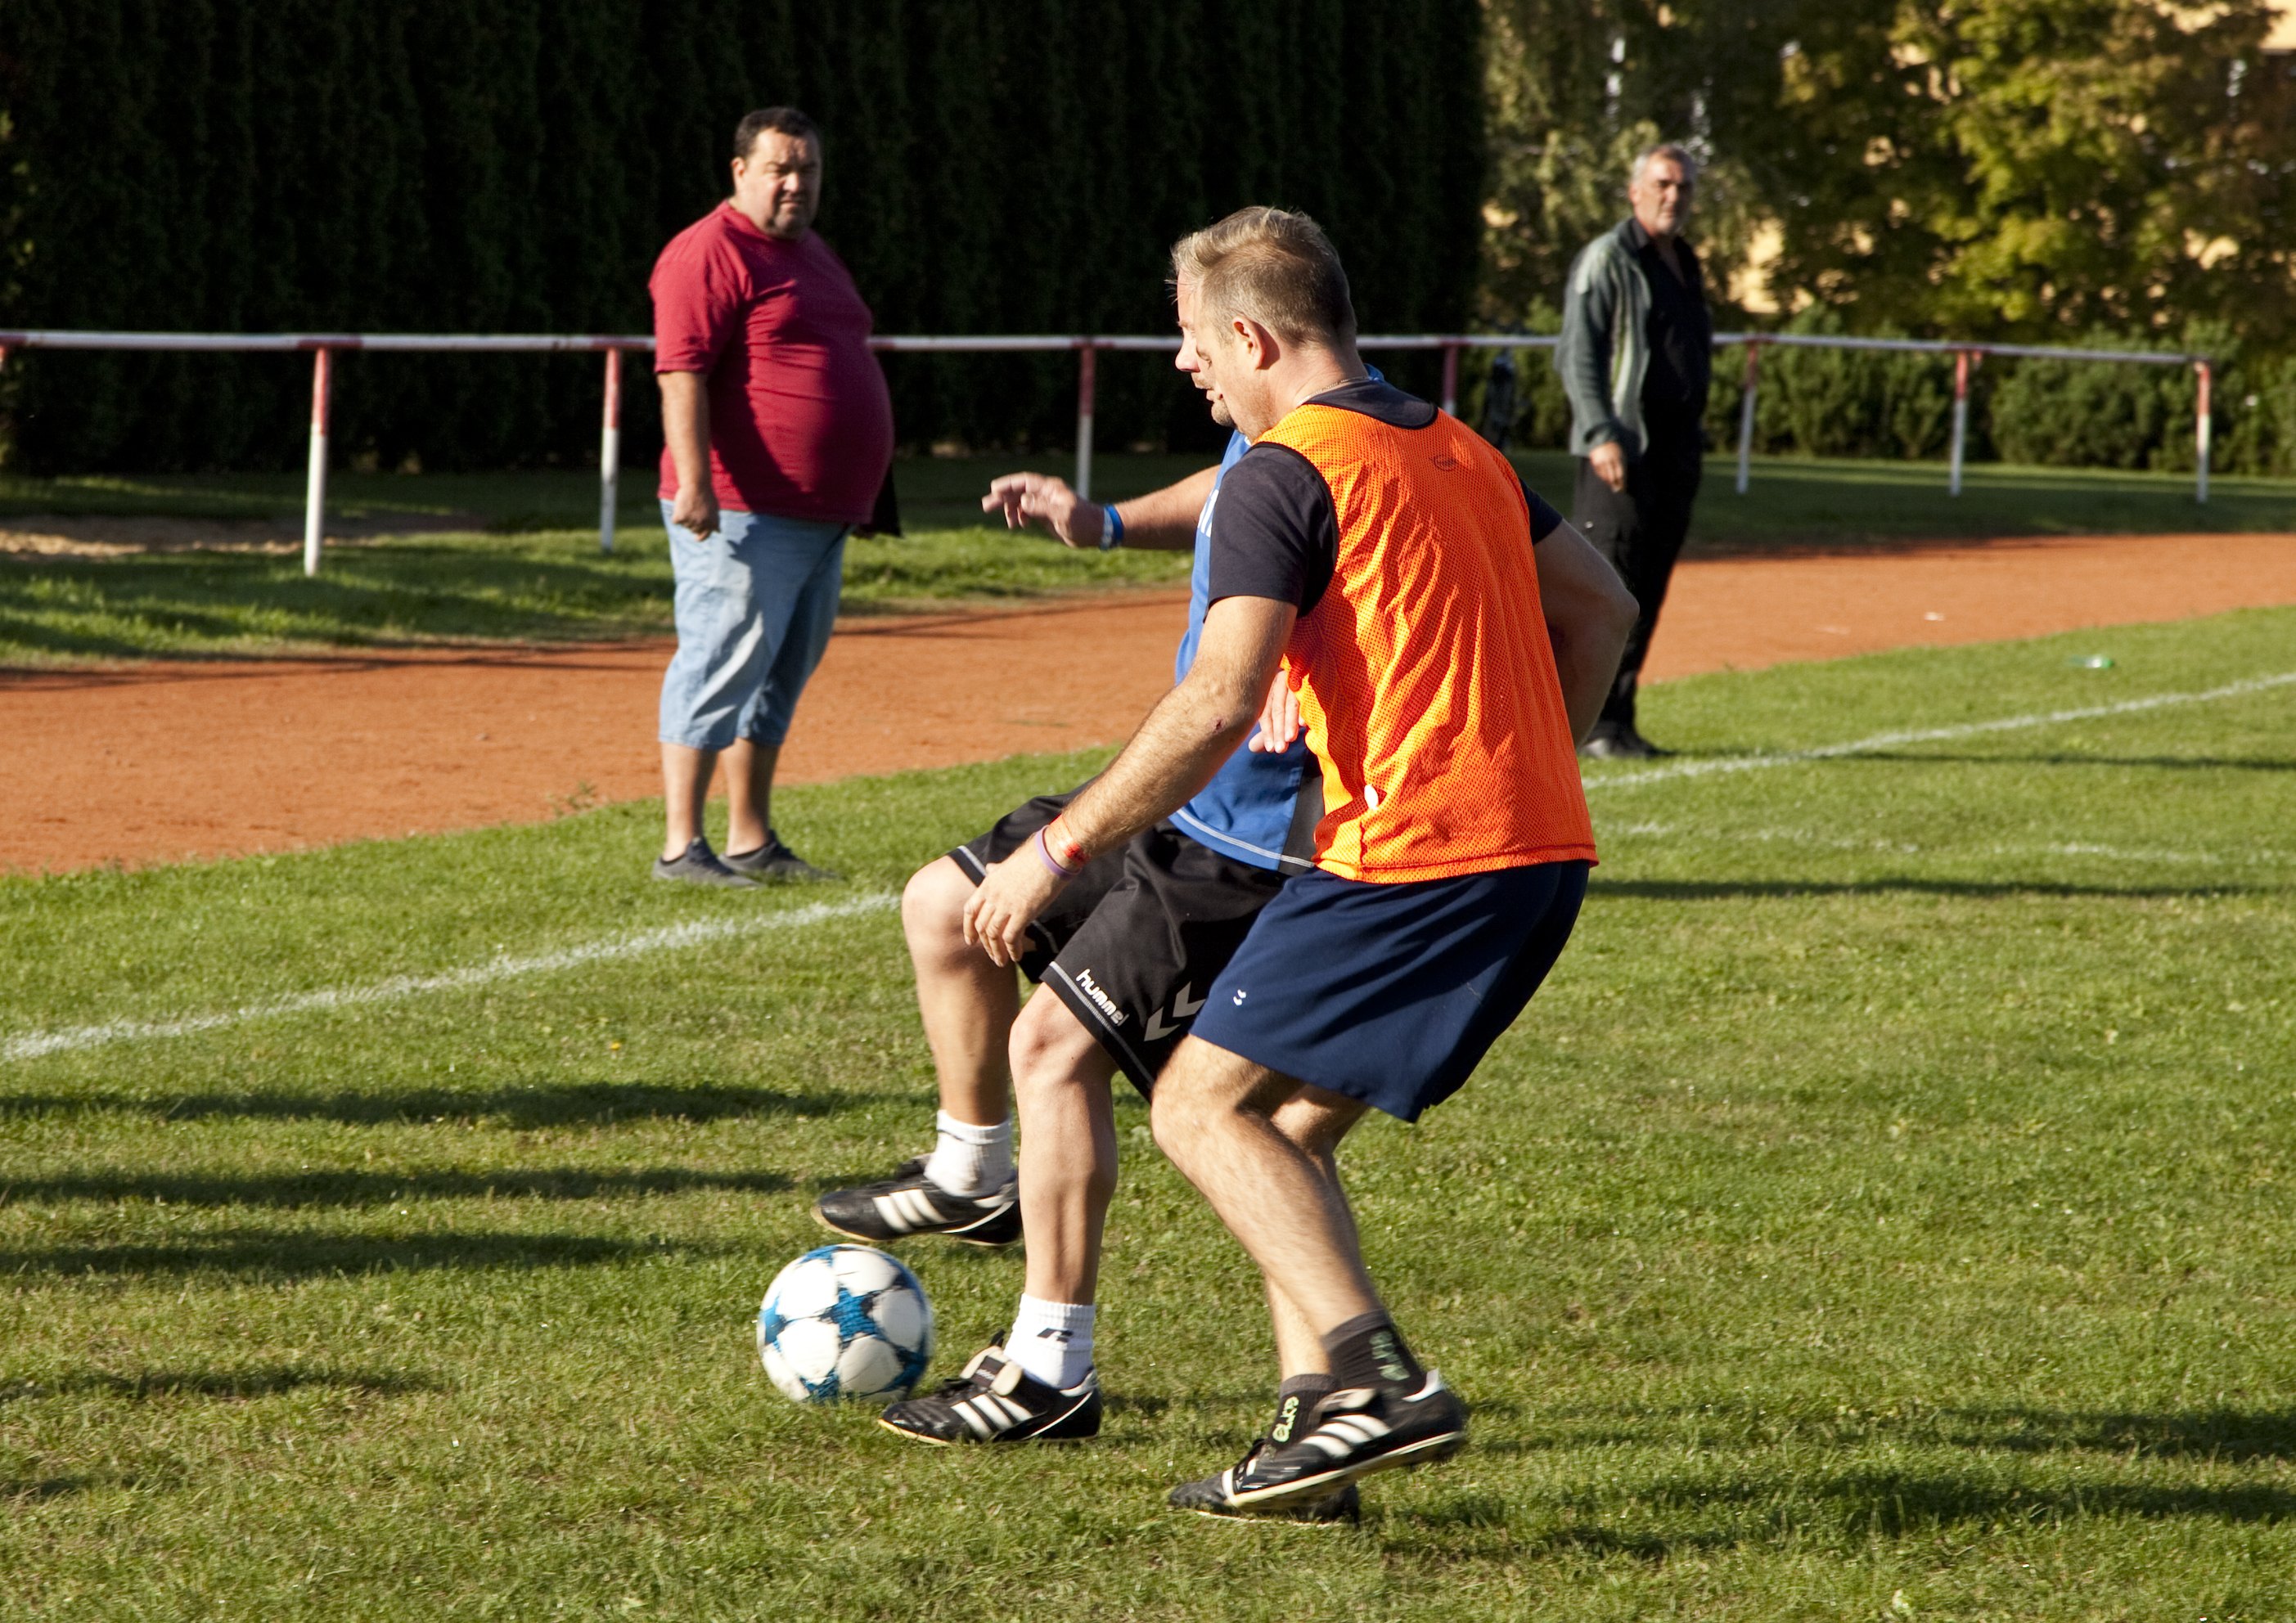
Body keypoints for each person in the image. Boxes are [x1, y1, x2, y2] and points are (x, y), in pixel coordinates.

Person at [937, 206, 1637, 1517]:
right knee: (1288, 1142)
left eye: (1197, 343)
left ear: (1252, 333)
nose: (1190, 367)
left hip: (1416, 851)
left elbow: (1215, 700)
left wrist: (1058, 851)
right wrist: (1531, 754)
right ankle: (1317, 1457)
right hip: (1536, 855)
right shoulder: (1449, 442)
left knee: (1199, 1110)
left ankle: (1370, 1385)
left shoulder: (1282, 469)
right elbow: (1601, 605)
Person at [647, 106, 894, 886]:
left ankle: (750, 838)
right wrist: (693, 483)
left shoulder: (812, 253)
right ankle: (681, 846)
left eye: (808, 170)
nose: (795, 183)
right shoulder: (707, 252)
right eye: (780, 168)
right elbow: (681, 372)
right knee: (719, 663)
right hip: (739, 507)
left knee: (780, 675)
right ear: (740, 172)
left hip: (821, 515)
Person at [1555, 141, 1713, 759]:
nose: (1675, 196)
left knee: (1647, 586)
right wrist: (1600, 434)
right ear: (1636, 190)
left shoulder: (1687, 262)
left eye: (1684, 187)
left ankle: (1617, 722)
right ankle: (1585, 725)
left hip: (1675, 452)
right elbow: (1579, 356)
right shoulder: (1608, 259)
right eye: (1664, 184)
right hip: (1620, 450)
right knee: (1609, 585)